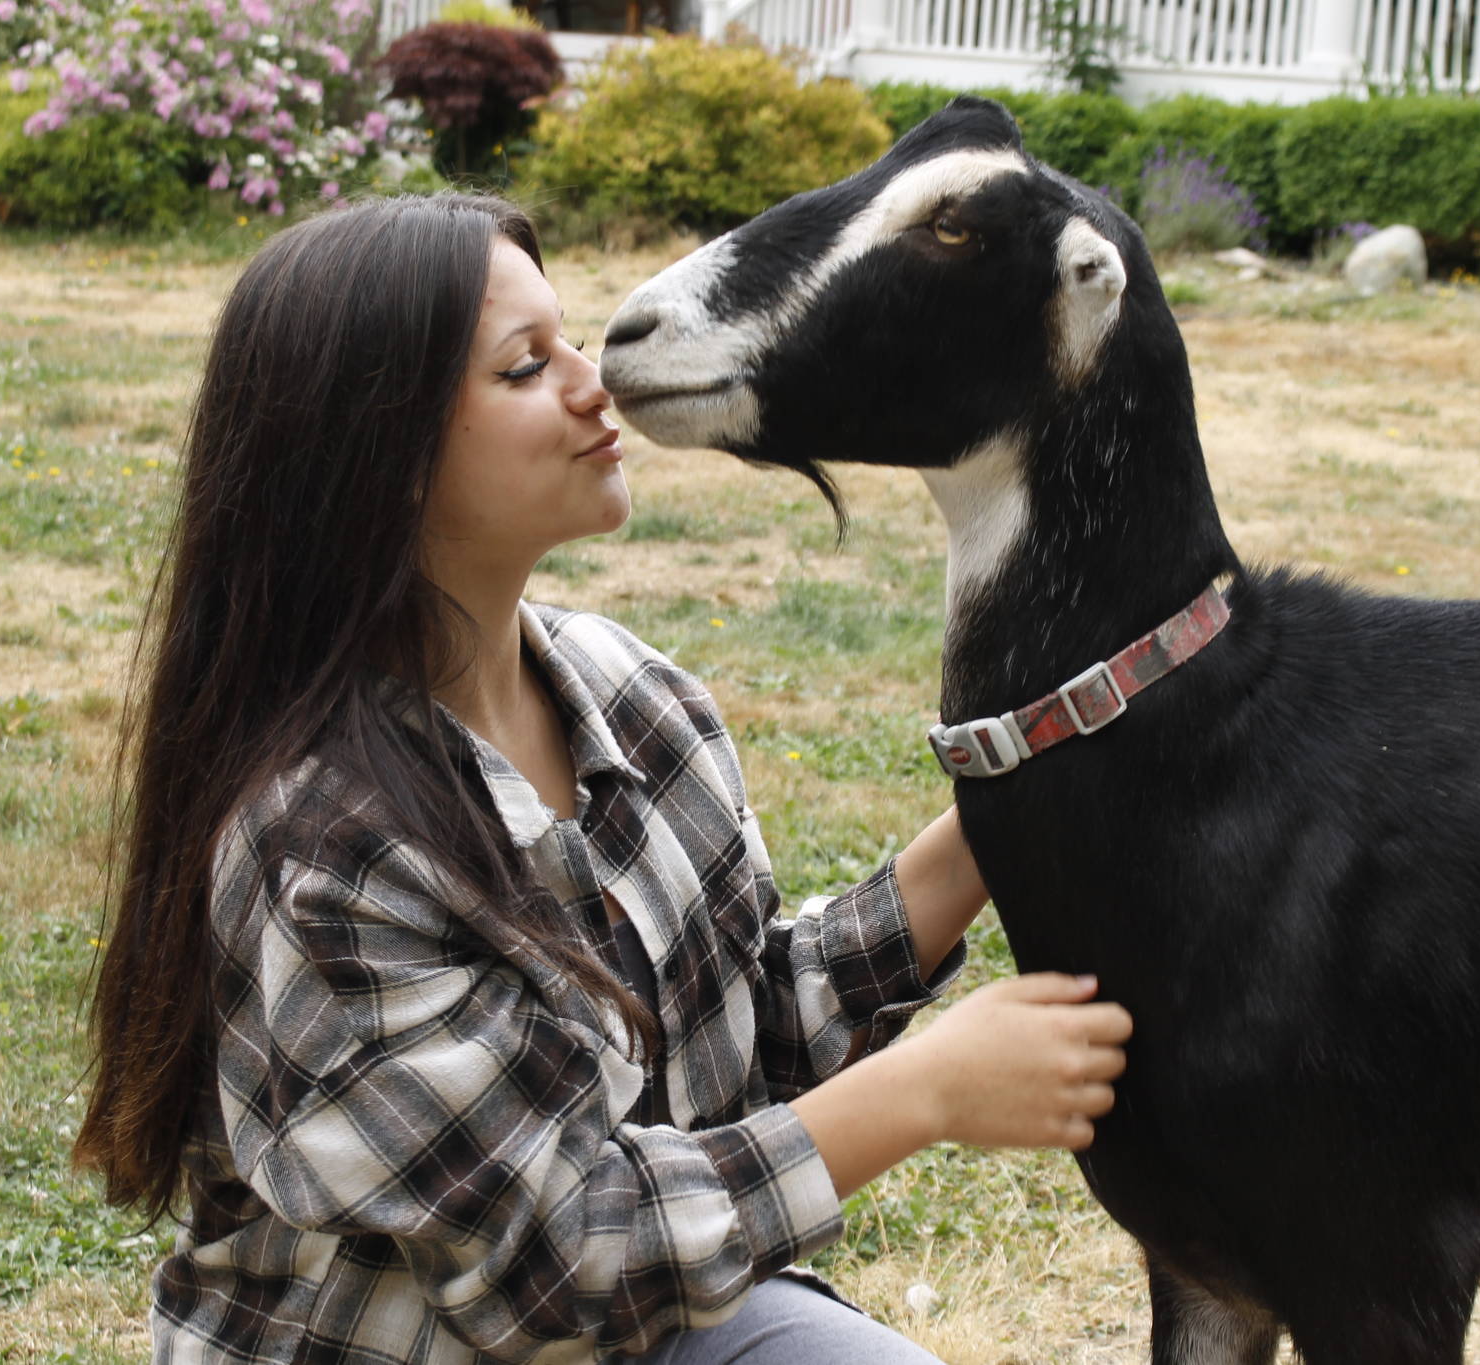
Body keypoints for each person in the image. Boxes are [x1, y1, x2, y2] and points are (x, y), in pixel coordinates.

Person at [74, 192, 1133, 1364]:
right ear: (376, 456)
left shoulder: (633, 698)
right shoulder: (324, 843)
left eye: (568, 339)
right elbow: (559, 1261)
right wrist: (926, 1092)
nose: (597, 383)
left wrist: (1008, 800)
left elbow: (743, 1039)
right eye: (527, 368)